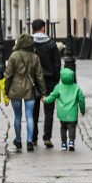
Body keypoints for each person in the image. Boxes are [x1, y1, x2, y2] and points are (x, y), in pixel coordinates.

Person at [3, 33, 47, 152]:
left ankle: (18, 140)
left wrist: (6, 91)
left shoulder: (14, 56)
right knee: (29, 116)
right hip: (29, 90)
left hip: (15, 89)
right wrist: (43, 92)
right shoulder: (34, 57)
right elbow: (39, 76)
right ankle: (29, 141)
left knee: (17, 116)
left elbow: (8, 75)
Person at [31, 19, 62, 148]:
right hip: (49, 80)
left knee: (33, 110)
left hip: (33, 81)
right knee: (49, 110)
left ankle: (33, 138)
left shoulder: (29, 43)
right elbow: (57, 63)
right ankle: (47, 137)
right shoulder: (51, 44)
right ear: (43, 28)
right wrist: (56, 79)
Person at [44, 67, 86, 151]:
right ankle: (71, 141)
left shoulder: (58, 87)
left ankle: (63, 143)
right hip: (72, 112)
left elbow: (52, 96)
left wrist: (45, 100)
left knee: (63, 128)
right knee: (72, 127)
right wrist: (82, 110)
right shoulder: (76, 88)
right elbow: (81, 99)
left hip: (62, 112)